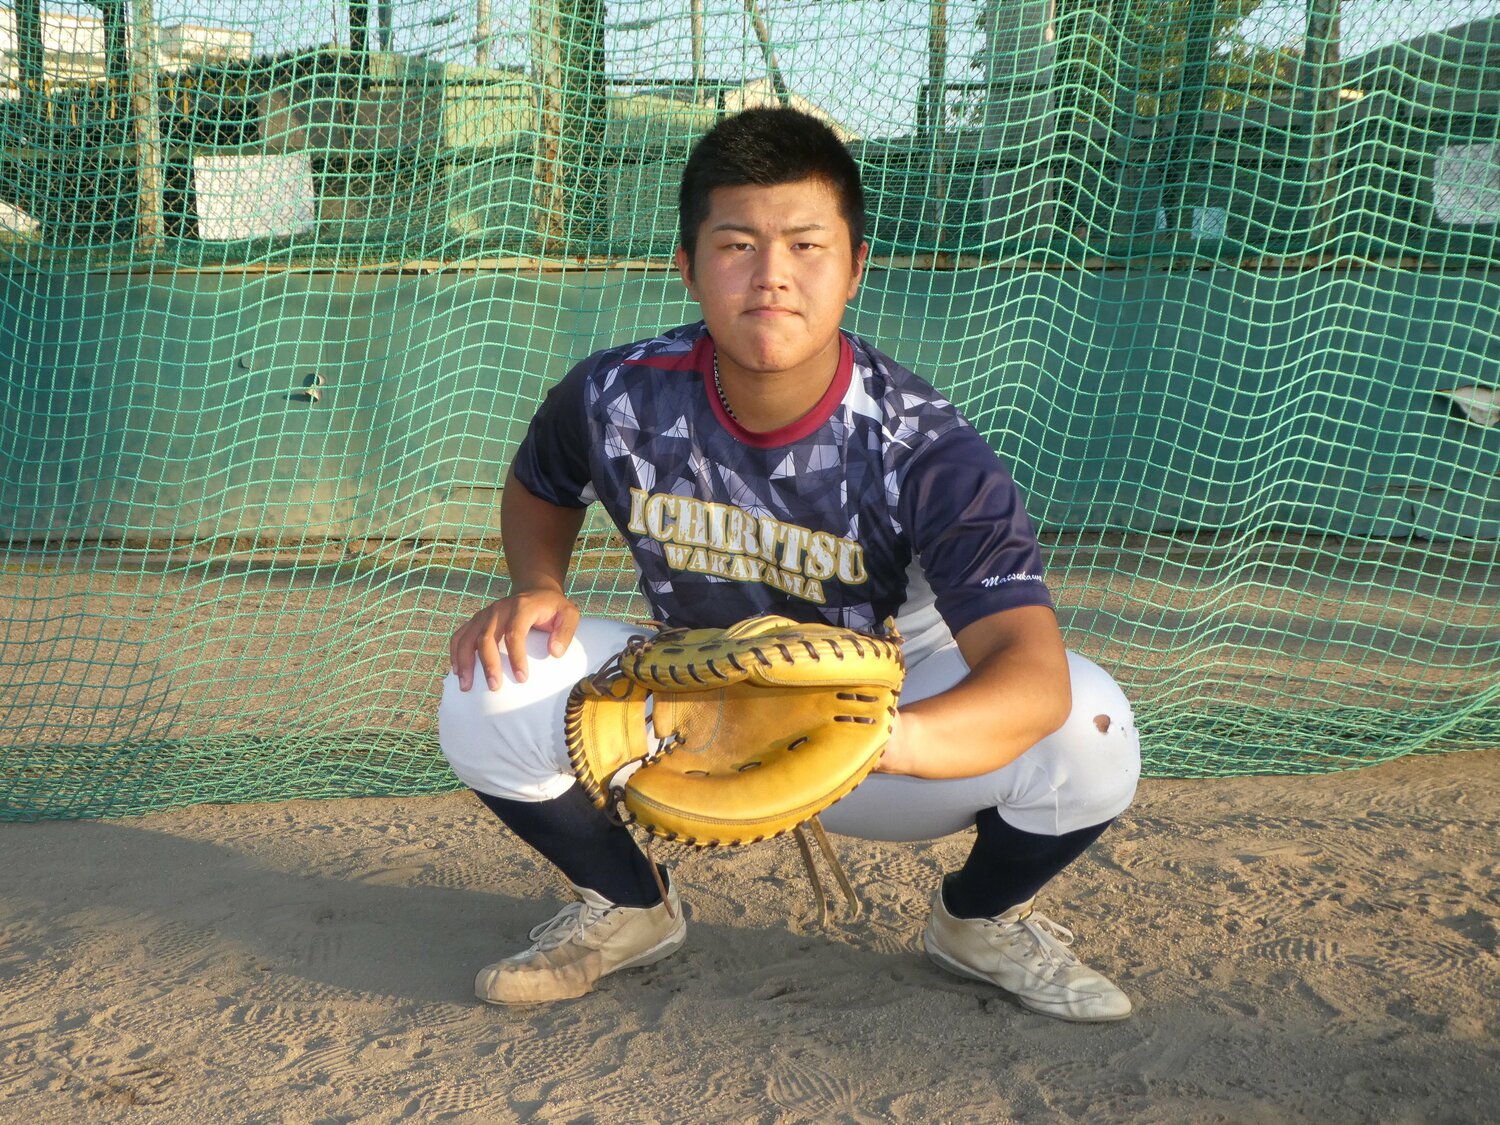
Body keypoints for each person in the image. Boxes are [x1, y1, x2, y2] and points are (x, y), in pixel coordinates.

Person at [438, 107, 1141, 1022]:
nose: (771, 275)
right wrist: (539, 584)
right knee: (490, 683)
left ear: (853, 266)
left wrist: (880, 738)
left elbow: (1031, 670)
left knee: (1091, 727)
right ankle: (631, 905)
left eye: (806, 244)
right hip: (698, 704)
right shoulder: (618, 395)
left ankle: (979, 921)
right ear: (689, 264)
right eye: (737, 243)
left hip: (889, 722)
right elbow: (542, 481)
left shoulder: (924, 447)